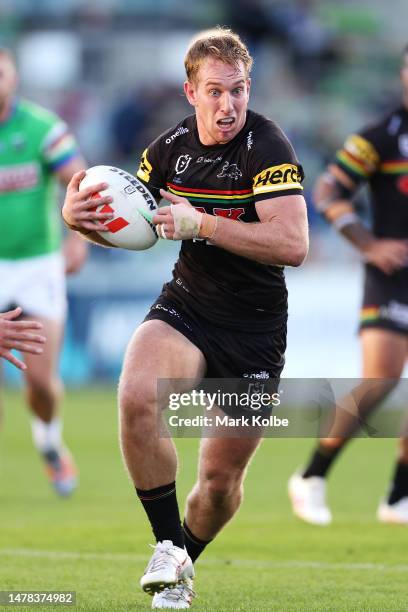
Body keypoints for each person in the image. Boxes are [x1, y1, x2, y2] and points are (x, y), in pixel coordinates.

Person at [62, 27, 308, 608]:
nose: (229, 106)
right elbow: (128, 222)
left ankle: (181, 566)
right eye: (216, 92)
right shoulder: (167, 150)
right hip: (188, 304)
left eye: (240, 91)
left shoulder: (268, 147)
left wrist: (205, 224)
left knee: (219, 486)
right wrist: (76, 218)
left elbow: (293, 244)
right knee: (136, 394)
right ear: (190, 92)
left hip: (254, 330)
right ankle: (167, 545)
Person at [289, 45, 408, 526]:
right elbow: (328, 192)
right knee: (380, 379)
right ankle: (312, 474)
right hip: (391, 276)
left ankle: (398, 496)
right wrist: (367, 243)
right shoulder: (378, 138)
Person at [0, 48, 88, 497]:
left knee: (39, 381)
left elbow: (80, 181)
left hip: (37, 263)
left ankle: (49, 441)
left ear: (13, 77)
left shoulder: (41, 129)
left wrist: (78, 238)